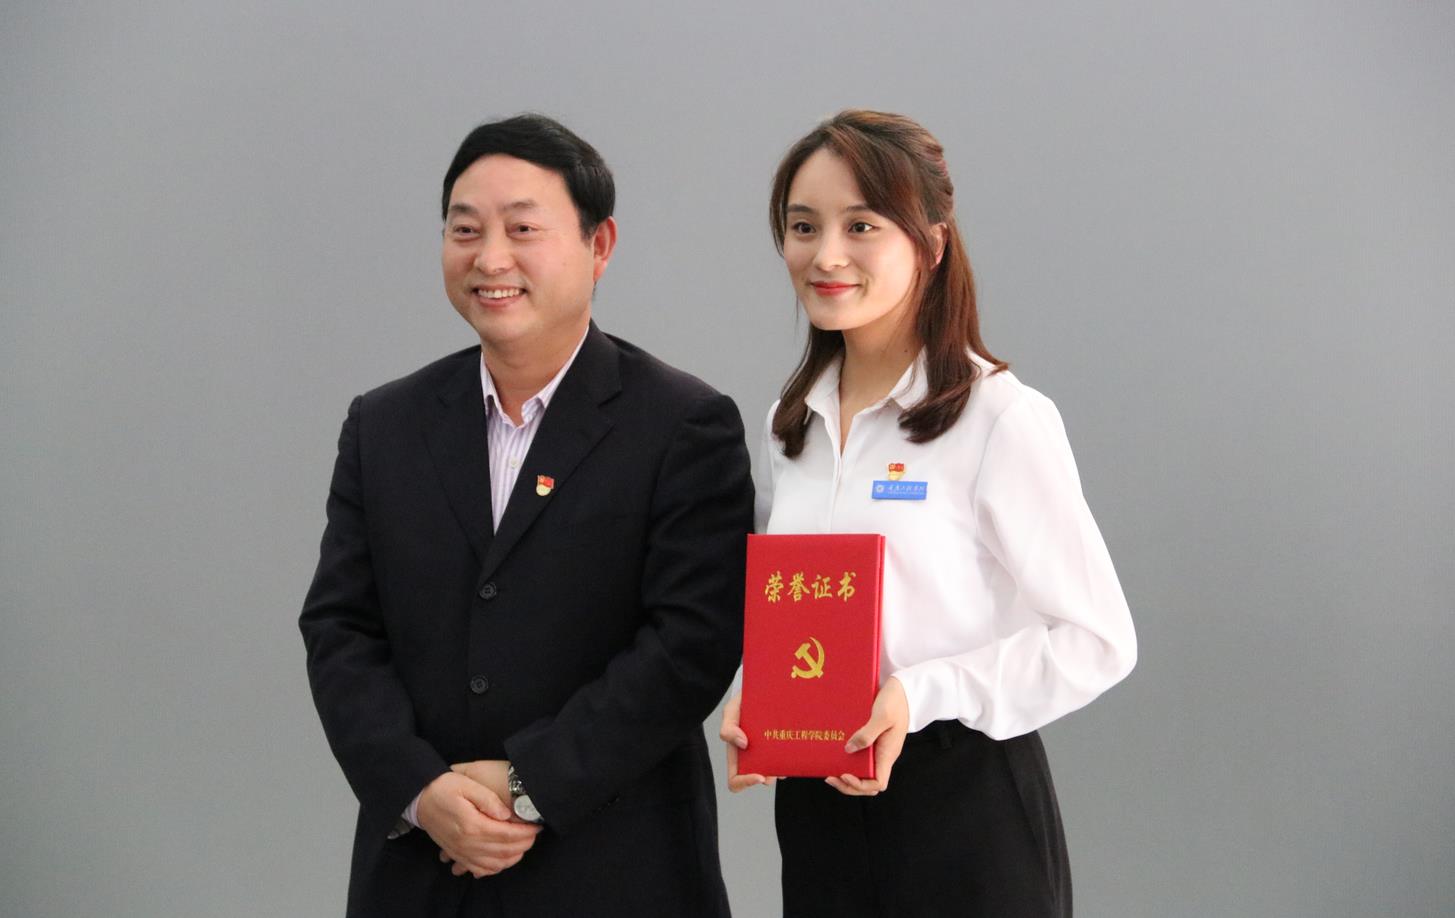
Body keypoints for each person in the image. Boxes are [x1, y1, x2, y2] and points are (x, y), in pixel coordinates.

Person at [300, 113, 753, 917]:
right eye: (464, 230)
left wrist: (527, 783)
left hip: (616, 869)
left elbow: (692, 643)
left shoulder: (681, 424)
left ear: (599, 245)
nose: (490, 258)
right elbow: (340, 629)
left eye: (522, 229)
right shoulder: (385, 425)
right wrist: (418, 790)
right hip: (422, 866)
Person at [720, 110, 1137, 917]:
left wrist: (921, 693)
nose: (825, 254)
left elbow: (1098, 641)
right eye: (803, 227)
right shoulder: (791, 425)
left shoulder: (996, 418)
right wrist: (756, 692)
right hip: (819, 808)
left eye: (861, 226)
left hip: (960, 801)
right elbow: (798, 605)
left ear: (932, 243)